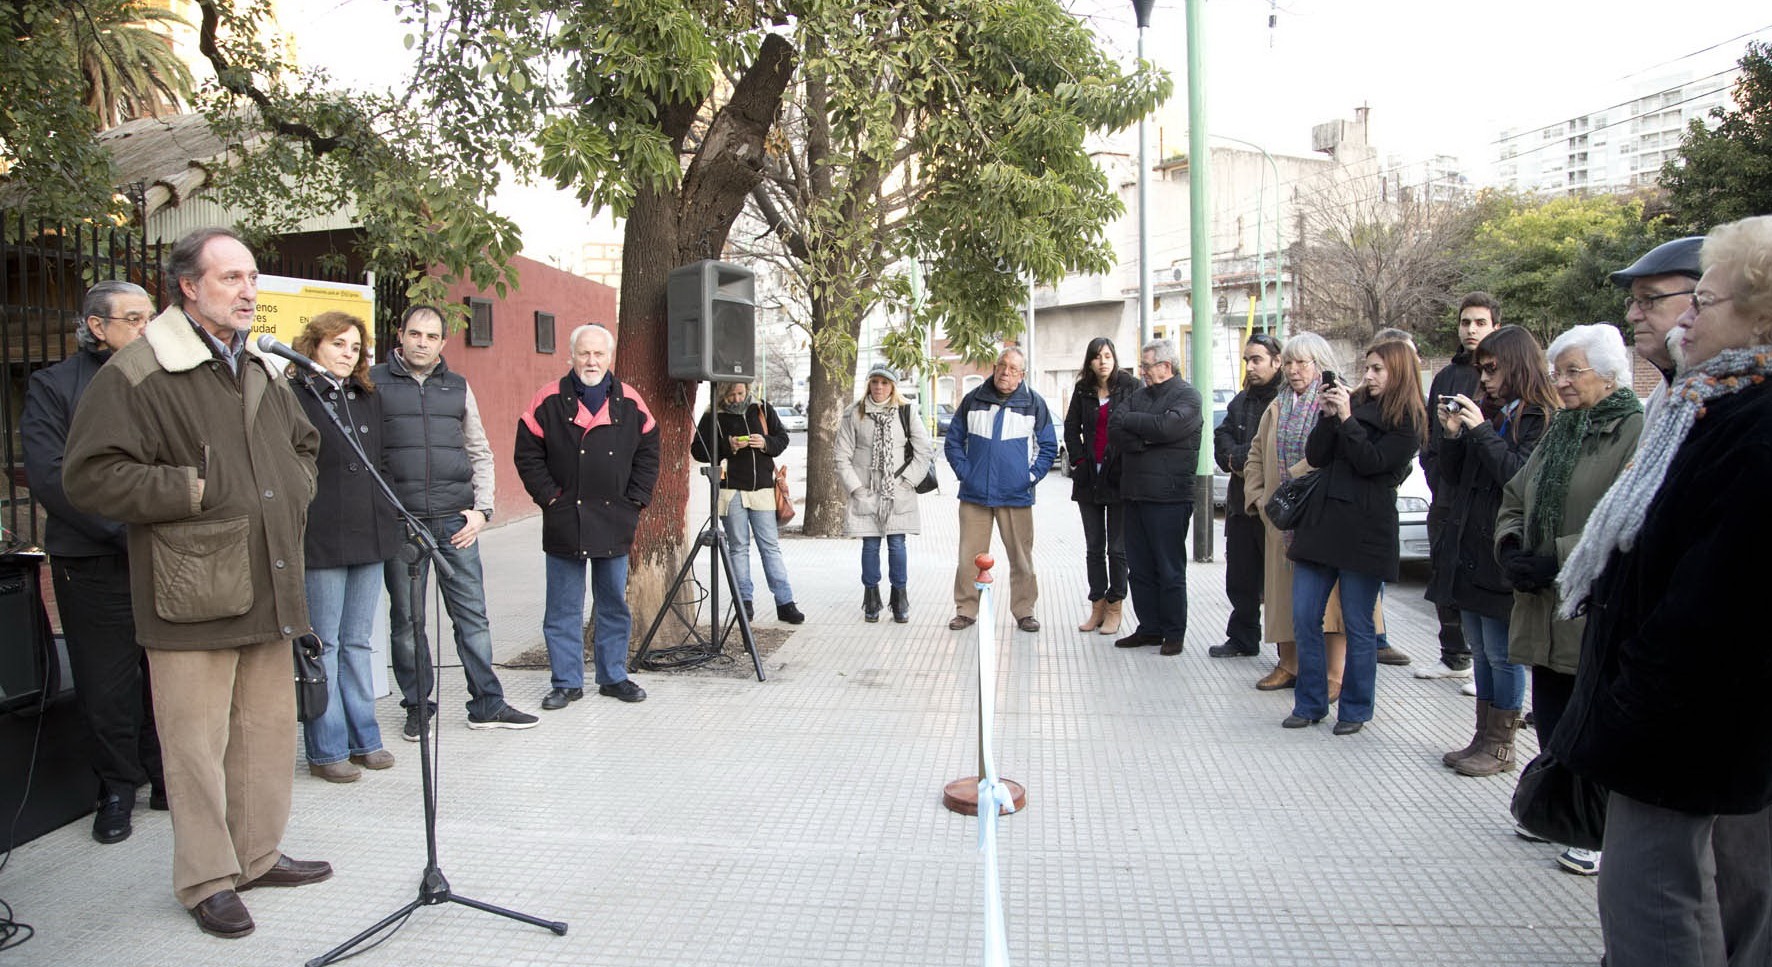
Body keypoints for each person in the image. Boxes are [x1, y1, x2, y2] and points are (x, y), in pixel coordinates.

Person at [62, 227, 329, 938]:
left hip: (269, 579)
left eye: (252, 277)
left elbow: (304, 443)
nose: (248, 291)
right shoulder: (140, 368)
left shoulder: (261, 364)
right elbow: (89, 474)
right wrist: (195, 489)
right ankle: (207, 879)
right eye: (230, 278)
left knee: (265, 736)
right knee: (194, 749)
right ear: (188, 286)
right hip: (190, 588)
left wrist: (292, 488)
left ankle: (257, 855)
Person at [1551, 217, 1772, 967]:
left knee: (1657, 898)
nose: (1682, 320)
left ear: (1759, 317)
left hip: (1687, 717)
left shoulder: (1747, 422)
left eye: (1700, 302)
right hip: (1684, 716)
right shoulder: (1700, 404)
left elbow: (1716, 596)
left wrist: (1630, 701)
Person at [1494, 323, 1642, 876]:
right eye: (1557, 372)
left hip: (1592, 604)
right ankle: (1557, 808)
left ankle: (1595, 829)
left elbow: (1628, 514)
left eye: (1572, 372)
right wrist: (1512, 544)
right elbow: (1517, 492)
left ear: (1609, 374)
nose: (1560, 382)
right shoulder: (1564, 428)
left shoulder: (1634, 429)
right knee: (1554, 714)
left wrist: (1557, 556)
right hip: (1544, 605)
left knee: (1592, 719)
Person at [22, 280, 166, 843]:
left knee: (166, 673)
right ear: (97, 326)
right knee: (106, 684)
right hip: (92, 559)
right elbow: (52, 477)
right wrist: (123, 532)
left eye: (150, 317)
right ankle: (117, 787)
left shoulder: (164, 379)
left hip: (163, 554)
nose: (146, 329)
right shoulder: (54, 386)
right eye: (134, 319)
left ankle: (166, 777)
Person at [373, 305, 537, 736]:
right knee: (407, 623)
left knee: (472, 618)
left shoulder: (457, 387)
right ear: (400, 334)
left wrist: (483, 511)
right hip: (403, 525)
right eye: (415, 334)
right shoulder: (374, 383)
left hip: (456, 524)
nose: (422, 343)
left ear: (443, 343)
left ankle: (487, 703)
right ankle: (417, 707)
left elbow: (480, 451)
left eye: (431, 337)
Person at [1427, 325, 1556, 777]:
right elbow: (1454, 476)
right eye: (1481, 370)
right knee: (1481, 650)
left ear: (1517, 366)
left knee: (1502, 654)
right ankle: (1482, 735)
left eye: (1492, 369)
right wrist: (1453, 435)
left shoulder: (1538, 416)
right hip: (1471, 548)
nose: (1483, 379)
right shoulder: (1493, 413)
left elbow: (1517, 476)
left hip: (1501, 551)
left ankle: (1502, 746)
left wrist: (1481, 430)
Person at [1281, 338, 1425, 735]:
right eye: (1367, 367)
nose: (1369, 376)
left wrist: (1346, 419)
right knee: (1304, 615)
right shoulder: (1353, 402)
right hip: (1322, 525)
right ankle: (1310, 703)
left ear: (1399, 372)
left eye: (1378, 369)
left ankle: (1355, 709)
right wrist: (1329, 418)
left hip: (1366, 531)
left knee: (1359, 624)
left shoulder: (1410, 419)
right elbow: (1317, 455)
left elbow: (1372, 464)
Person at [515, 324, 661, 707]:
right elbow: (527, 454)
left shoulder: (631, 401)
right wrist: (550, 498)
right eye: (584, 353)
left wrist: (636, 500)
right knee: (562, 607)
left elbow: (649, 451)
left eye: (598, 354)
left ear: (609, 357)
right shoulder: (547, 399)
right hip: (564, 519)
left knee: (613, 604)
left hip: (615, 519)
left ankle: (613, 677)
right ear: (571, 356)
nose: (591, 361)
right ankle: (566, 683)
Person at [288, 311, 402, 782]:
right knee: (326, 644)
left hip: (370, 534)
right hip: (322, 537)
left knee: (358, 642)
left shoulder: (366, 396)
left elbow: (383, 461)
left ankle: (365, 740)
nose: (347, 354)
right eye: (338, 344)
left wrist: (389, 515)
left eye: (355, 347)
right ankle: (327, 748)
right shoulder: (295, 395)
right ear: (314, 344)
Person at [1243, 333, 1376, 699]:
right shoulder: (1278, 405)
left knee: (1331, 603)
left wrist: (1297, 480)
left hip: (1324, 516)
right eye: (1288, 362)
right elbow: (1256, 452)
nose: (1294, 370)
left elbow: (1339, 454)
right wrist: (1259, 497)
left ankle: (1335, 673)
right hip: (1282, 516)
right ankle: (1289, 664)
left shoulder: (1339, 400)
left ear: (1320, 364)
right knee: (1285, 597)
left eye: (1302, 362)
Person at [1415, 294, 1500, 679]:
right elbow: (1430, 433)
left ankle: (1484, 666)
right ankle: (1453, 655)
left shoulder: (1502, 374)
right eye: (1466, 322)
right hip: (1446, 494)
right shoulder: (1447, 375)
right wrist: (1435, 472)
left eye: (1480, 322)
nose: (1471, 330)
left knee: (1480, 576)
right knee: (1443, 571)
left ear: (1495, 326)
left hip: (1483, 495)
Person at [945, 346, 1058, 633]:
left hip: (1016, 495)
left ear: (1022, 375)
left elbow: (1048, 447)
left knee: (1021, 559)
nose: (1005, 372)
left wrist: (1029, 477)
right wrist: (965, 473)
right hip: (975, 494)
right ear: (995, 368)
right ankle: (966, 610)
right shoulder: (973, 399)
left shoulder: (1034, 403)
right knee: (969, 557)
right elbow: (953, 441)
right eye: (1002, 366)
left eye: (1013, 369)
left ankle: (1024, 611)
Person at [1106, 339, 1203, 656]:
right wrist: (1144, 441)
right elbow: (1115, 426)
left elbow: (1166, 427)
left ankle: (1173, 632)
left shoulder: (1188, 396)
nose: (1143, 372)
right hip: (1135, 494)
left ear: (1165, 366)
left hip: (1170, 498)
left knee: (1169, 568)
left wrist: (1140, 426)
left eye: (1146, 366)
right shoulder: (1138, 395)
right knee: (1139, 568)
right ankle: (1149, 628)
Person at [689, 379, 805, 625]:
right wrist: (727, 446)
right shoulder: (712, 415)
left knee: (770, 547)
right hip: (731, 491)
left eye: (741, 393)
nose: (737, 399)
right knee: (738, 548)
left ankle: (785, 602)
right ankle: (744, 603)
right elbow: (698, 451)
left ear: (747, 391)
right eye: (731, 395)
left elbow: (782, 439)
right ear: (722, 394)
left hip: (762, 489)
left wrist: (765, 443)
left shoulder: (762, 409)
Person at [833, 364, 934, 623]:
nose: (879, 387)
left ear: (893, 386)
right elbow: (841, 456)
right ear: (869, 383)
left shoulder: (906, 411)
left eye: (885, 382)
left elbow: (924, 451)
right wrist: (857, 489)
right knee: (870, 545)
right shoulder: (854, 413)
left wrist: (906, 483)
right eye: (875, 381)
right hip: (866, 492)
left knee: (897, 544)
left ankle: (899, 600)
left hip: (898, 492)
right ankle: (871, 600)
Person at [1210, 333, 1282, 657]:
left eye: (1257, 360)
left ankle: (1286, 650)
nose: (1250, 367)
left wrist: (1242, 458)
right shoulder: (1240, 401)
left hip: (1273, 507)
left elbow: (1270, 451)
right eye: (1247, 361)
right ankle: (1243, 637)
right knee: (1240, 577)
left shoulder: (1285, 402)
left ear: (1276, 362)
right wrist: (1241, 458)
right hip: (1241, 506)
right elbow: (1221, 441)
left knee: (1279, 583)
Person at [1061, 338, 1140, 635]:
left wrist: (1127, 459)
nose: (1103, 361)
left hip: (1119, 478)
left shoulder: (1130, 386)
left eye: (1107, 356)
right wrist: (1080, 461)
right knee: (1094, 547)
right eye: (1097, 357)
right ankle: (1097, 605)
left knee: (1117, 549)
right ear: (1090, 362)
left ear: (1115, 358)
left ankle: (1115, 606)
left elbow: (1138, 426)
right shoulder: (1083, 389)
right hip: (1089, 480)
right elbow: (1071, 428)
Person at [1608, 234, 1703, 416]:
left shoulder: (1739, 396)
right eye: (1633, 301)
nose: (1631, 316)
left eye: (1648, 299)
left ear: (1702, 300)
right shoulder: (1661, 396)